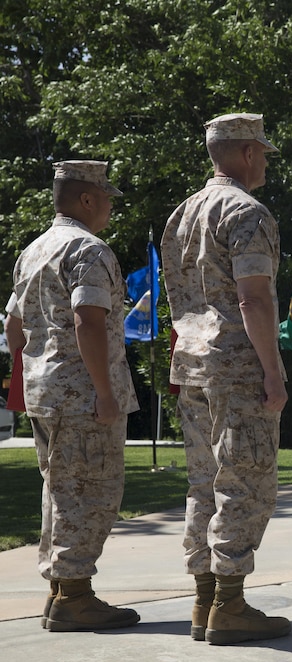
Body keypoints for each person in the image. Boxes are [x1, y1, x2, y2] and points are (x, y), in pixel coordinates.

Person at [160, 113, 291, 644]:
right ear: (245, 154)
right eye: (260, 151)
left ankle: (204, 600)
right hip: (237, 366)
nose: (263, 160)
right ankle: (230, 605)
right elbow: (252, 298)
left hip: (190, 364)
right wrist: (274, 372)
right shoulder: (247, 212)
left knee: (203, 485)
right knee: (245, 482)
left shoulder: (183, 213)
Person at [5, 160, 140, 631]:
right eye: (106, 198)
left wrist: (33, 372)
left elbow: (13, 326)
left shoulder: (34, 249)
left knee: (61, 489)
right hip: (83, 394)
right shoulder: (87, 249)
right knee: (92, 492)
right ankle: (75, 597)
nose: (109, 208)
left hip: (45, 392)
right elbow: (89, 320)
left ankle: (61, 591)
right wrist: (104, 391)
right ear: (87, 199)